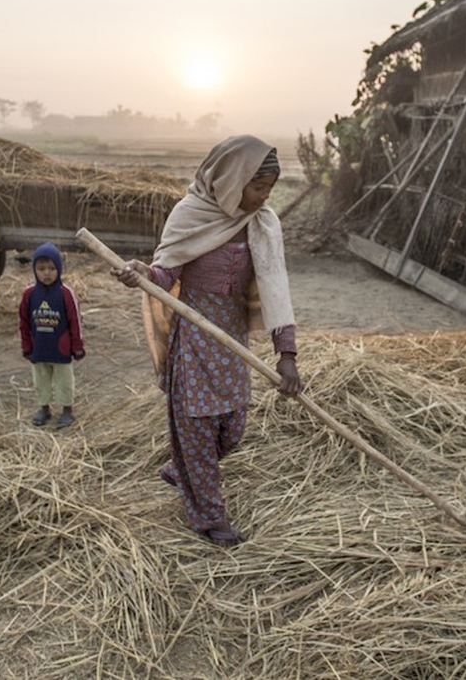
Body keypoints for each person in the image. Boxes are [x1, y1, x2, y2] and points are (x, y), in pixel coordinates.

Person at [112, 135, 303, 548]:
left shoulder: (262, 223)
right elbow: (165, 276)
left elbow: (274, 283)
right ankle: (209, 517)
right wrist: (141, 272)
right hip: (196, 338)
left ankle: (182, 469)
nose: (264, 197)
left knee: (231, 430)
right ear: (233, 180)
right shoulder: (191, 215)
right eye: (258, 187)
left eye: (269, 189)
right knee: (198, 432)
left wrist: (286, 353)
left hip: (232, 341)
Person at [19, 242, 85, 429]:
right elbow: (23, 323)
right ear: (34, 270)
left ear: (59, 269)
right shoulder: (29, 295)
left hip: (61, 348)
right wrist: (26, 346)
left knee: (64, 380)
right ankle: (44, 408)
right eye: (41, 269)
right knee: (41, 380)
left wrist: (77, 347)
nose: (46, 273)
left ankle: (66, 410)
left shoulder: (65, 294)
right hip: (39, 349)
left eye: (51, 268)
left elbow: (75, 322)